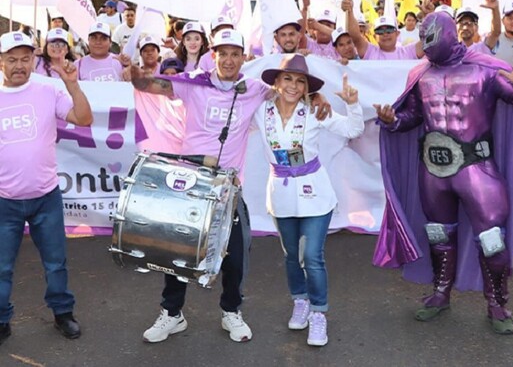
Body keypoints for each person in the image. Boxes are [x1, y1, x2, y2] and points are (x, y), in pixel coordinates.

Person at [127, 29, 330, 344]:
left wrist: (317, 95)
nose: (230, 59)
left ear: (244, 57)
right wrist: (137, 77)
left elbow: (288, 91)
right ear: (213, 54)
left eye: (236, 53)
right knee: (176, 252)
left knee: (235, 255)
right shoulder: (193, 84)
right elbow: (153, 86)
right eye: (224, 53)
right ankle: (172, 314)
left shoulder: (252, 89)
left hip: (227, 189)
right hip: (190, 183)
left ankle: (231, 311)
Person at [372, 12, 513, 334]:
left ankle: (497, 304)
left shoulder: (484, 69)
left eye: (429, 33)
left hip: (476, 167)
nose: (425, 39)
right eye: (422, 34)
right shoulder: (420, 74)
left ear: (446, 32)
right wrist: (392, 120)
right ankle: (440, 293)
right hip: (434, 170)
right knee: (438, 234)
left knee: (492, 240)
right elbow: (411, 118)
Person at [255, 54, 364, 346]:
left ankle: (318, 313)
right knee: (292, 255)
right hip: (280, 193)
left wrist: (352, 104)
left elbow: (353, 130)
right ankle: (299, 300)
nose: (292, 86)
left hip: (314, 193)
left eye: (300, 81)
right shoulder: (260, 110)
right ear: (277, 82)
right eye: (287, 79)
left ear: (306, 88)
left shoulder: (315, 111)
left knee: (312, 256)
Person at [0, 31, 93, 345]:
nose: (19, 65)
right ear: (1, 62)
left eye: (25, 58)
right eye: (12, 59)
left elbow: (83, 118)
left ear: (33, 61)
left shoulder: (48, 89)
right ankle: (1, 319)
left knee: (56, 262)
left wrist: (72, 84)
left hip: (46, 197)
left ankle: (63, 313)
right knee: (1, 267)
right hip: (5, 201)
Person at [341, 0, 424, 60]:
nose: (385, 34)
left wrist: (430, 14)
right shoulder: (369, 51)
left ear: (397, 33)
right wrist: (350, 11)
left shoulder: (409, 52)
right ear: (374, 36)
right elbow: (355, 36)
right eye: (380, 31)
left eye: (389, 30)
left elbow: (431, 42)